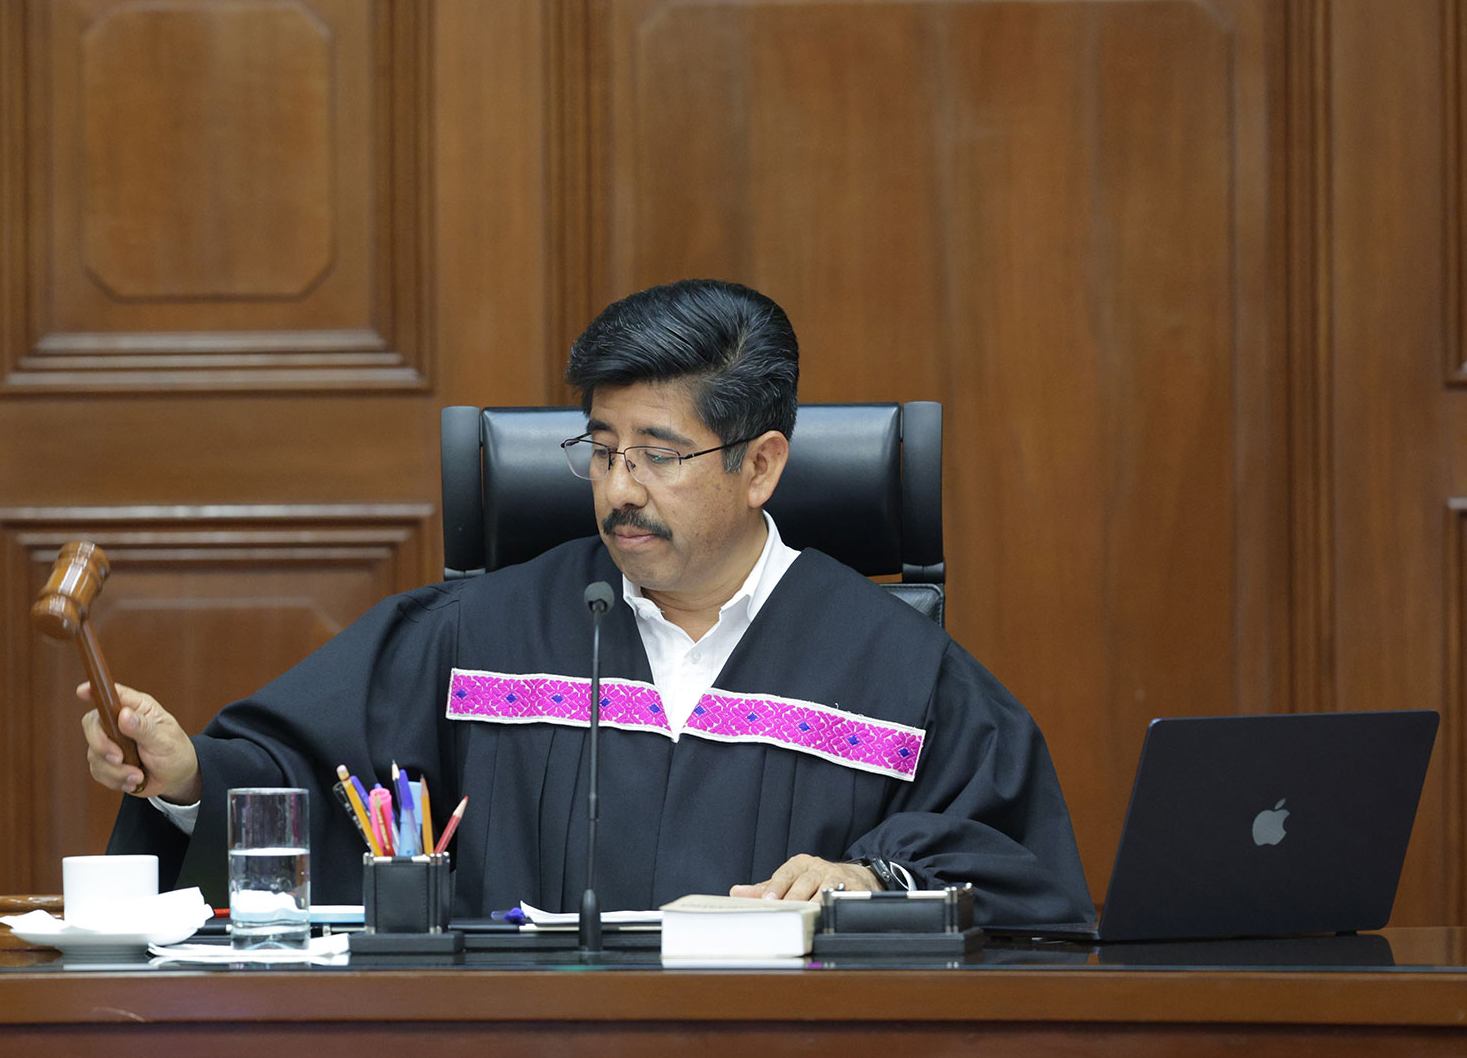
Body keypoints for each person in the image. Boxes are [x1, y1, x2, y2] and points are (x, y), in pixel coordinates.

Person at [81, 280, 1095, 929]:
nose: (618, 489)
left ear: (760, 465)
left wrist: (870, 879)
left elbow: (1022, 878)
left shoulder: (896, 669)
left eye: (657, 454)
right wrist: (186, 779)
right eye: (602, 450)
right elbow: (305, 783)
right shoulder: (483, 636)